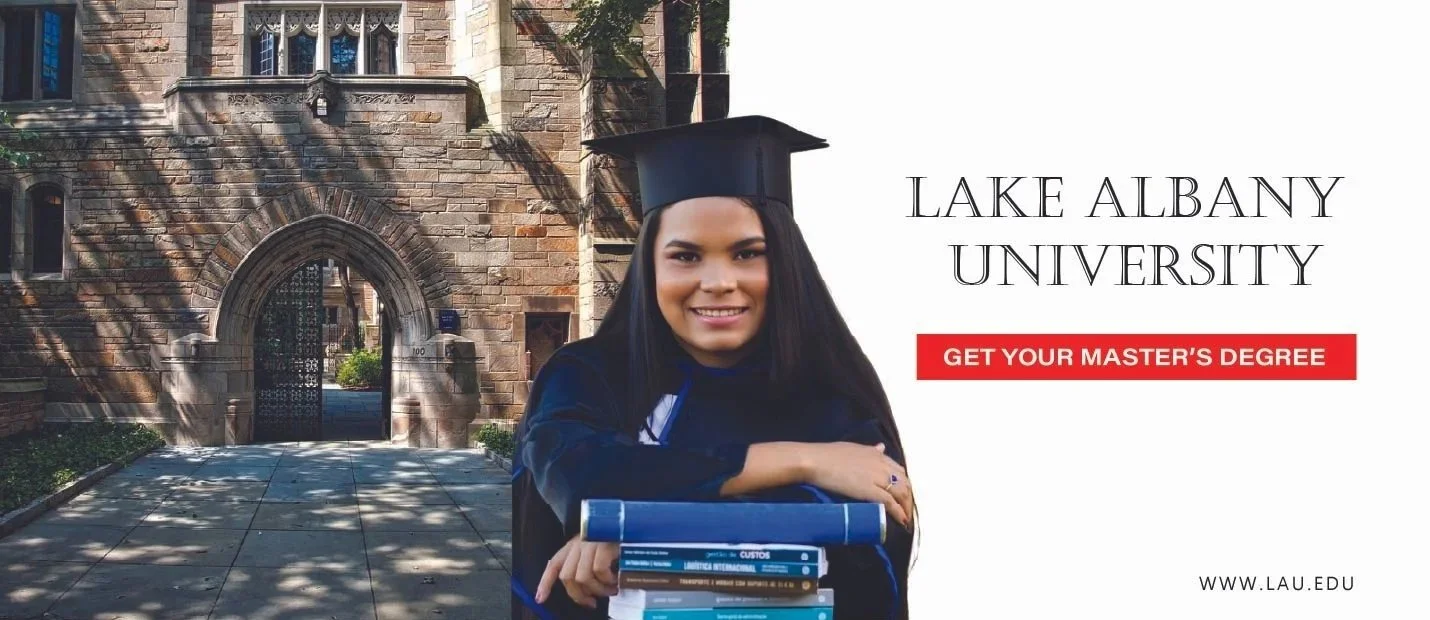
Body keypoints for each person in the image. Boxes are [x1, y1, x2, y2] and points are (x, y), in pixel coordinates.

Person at [510, 116, 918, 620]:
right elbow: (579, 475)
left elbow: (872, 542)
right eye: (686, 256)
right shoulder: (587, 375)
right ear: (650, 267)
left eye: (748, 253)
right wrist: (804, 461)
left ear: (785, 263)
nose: (719, 281)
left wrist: (636, 533)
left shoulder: (830, 389)